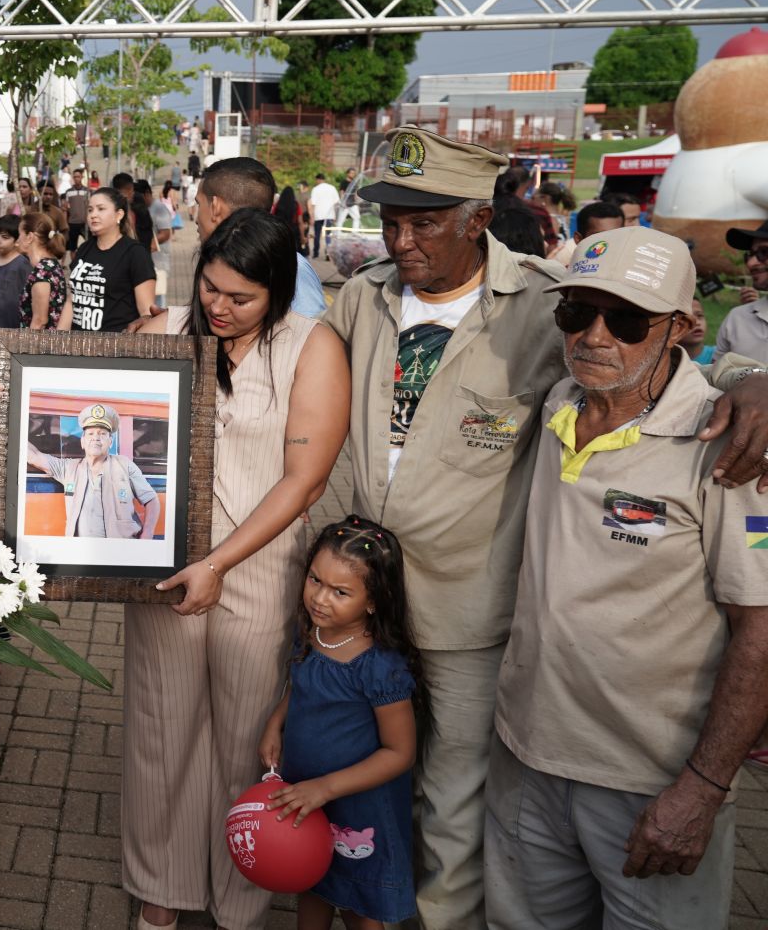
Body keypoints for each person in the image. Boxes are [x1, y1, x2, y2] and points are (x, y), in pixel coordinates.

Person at [323, 125, 768, 929]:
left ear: (475, 216)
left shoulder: (541, 301)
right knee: (365, 788)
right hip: (365, 608)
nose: (401, 238)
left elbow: (667, 346)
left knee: (453, 817)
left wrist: (754, 379)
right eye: (390, 218)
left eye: (425, 221)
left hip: (471, 618)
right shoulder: (365, 296)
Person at [487, 227, 768, 928]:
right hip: (528, 759)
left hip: (651, 786)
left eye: (628, 318)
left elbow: (760, 626)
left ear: (680, 327)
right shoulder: (558, 402)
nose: (595, 335)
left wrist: (702, 788)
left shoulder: (726, 447)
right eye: (576, 311)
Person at [128, 209, 350, 929]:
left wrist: (219, 562)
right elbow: (81, 395)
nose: (219, 308)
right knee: (162, 731)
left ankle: (239, 897)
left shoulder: (310, 347)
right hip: (165, 571)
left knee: (246, 740)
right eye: (211, 289)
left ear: (278, 290)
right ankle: (161, 888)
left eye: (240, 297)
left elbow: (305, 480)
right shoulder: (167, 331)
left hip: (256, 570)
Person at [261, 516, 421, 930]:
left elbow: (399, 753)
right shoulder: (313, 632)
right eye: (315, 580)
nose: (320, 598)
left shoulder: (379, 666)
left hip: (357, 807)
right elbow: (302, 686)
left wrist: (325, 788)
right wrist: (276, 722)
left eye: (340, 591)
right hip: (307, 795)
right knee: (312, 883)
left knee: (358, 902)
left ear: (373, 600)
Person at [195, 157, 327, 318]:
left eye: (198, 204)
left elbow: (310, 330)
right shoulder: (214, 259)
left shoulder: (290, 265)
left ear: (215, 207)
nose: (218, 309)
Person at [25, 404, 161, 539]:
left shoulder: (125, 465)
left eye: (102, 434)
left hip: (121, 549)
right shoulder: (68, 468)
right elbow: (34, 456)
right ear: (83, 442)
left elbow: (151, 499)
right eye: (90, 433)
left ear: (110, 442)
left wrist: (148, 533)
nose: (96, 438)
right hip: (81, 552)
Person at [62, 188, 154, 332]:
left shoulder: (135, 253)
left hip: (114, 347)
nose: (93, 215)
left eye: (101, 209)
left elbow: (146, 314)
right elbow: (71, 301)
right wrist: (58, 341)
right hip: (77, 345)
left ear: (119, 214)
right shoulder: (84, 249)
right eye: (90, 210)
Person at [716, 219, 768, 362]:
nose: (751, 263)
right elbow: (716, 377)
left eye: (764, 252)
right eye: (749, 255)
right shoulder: (736, 319)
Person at [17, 210, 68, 329]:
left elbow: (40, 321)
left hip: (40, 345)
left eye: (19, 234)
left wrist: (27, 346)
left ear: (29, 237)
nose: (17, 239)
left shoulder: (42, 273)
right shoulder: (51, 264)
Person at [546, 199, 633, 266]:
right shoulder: (564, 264)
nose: (608, 244)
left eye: (616, 236)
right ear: (578, 239)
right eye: (599, 238)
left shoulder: (632, 265)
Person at [308, 172, 341, 260]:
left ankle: (315, 253)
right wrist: (335, 216)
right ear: (324, 179)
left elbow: (313, 204)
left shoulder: (315, 189)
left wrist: (312, 216)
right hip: (329, 215)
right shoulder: (332, 188)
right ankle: (328, 253)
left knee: (317, 234)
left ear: (318, 179)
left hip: (318, 215)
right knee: (328, 235)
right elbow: (337, 203)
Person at [683, 296, 716, 364]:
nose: (697, 323)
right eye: (687, 318)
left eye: (700, 315)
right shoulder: (662, 360)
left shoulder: (719, 356)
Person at [64, 176, 90, 260]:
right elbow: (65, 208)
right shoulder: (68, 192)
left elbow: (90, 206)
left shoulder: (87, 191)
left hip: (85, 223)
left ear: (82, 177)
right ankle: (74, 266)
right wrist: (66, 223)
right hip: (72, 223)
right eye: (75, 176)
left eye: (78, 176)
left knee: (89, 244)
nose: (77, 178)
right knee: (72, 247)